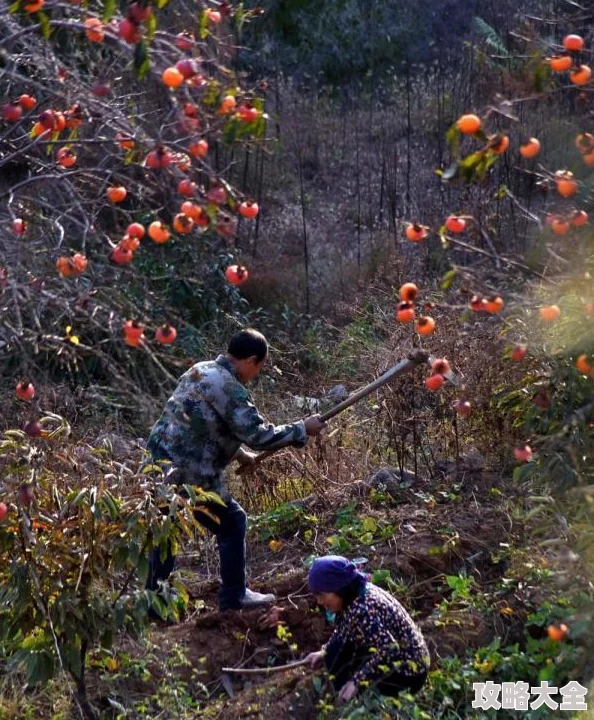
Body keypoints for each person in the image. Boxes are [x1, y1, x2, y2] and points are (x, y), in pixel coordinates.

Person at [145, 328, 326, 611]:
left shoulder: (199, 370)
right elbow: (258, 434)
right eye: (260, 367)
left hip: (156, 465)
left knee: (167, 529)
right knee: (232, 522)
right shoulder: (230, 387)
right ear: (253, 360)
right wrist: (303, 428)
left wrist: (240, 454)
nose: (257, 373)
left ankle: (152, 602)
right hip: (189, 474)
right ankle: (235, 596)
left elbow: (199, 423)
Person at [304, 556, 430, 703]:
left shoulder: (362, 610)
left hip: (408, 673)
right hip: (400, 654)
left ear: (338, 588)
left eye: (322, 595)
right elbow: (343, 630)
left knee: (341, 655)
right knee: (335, 650)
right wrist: (323, 652)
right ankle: (341, 692)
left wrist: (356, 682)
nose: (319, 601)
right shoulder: (355, 592)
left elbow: (390, 649)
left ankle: (352, 701)